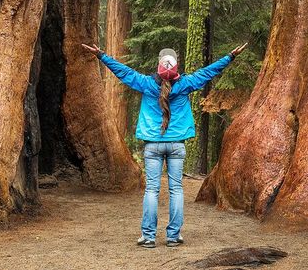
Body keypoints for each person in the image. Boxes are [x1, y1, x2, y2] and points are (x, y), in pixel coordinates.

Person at [81, 42, 248, 248]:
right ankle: (173, 236)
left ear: (159, 67)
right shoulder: (186, 83)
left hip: (153, 145)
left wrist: (101, 55)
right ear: (176, 68)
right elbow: (208, 72)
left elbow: (123, 72)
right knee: (176, 189)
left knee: (152, 189)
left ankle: (149, 236)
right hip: (177, 144)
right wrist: (230, 56)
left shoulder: (145, 83)